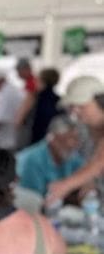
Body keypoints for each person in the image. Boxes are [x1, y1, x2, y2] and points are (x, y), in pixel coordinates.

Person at [45, 75, 104, 206]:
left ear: (100, 101)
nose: (76, 111)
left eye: (81, 106)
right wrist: (90, 180)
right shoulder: (86, 129)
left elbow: (100, 161)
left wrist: (65, 185)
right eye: (72, 107)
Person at [15, 116, 83, 198]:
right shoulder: (33, 159)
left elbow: (86, 181)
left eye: (75, 139)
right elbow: (33, 196)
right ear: (52, 139)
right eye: (67, 139)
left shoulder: (73, 157)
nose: (72, 144)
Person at [21, 67, 62, 145]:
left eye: (37, 79)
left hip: (35, 139)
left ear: (41, 81)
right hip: (53, 141)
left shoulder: (33, 98)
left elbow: (19, 119)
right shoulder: (59, 99)